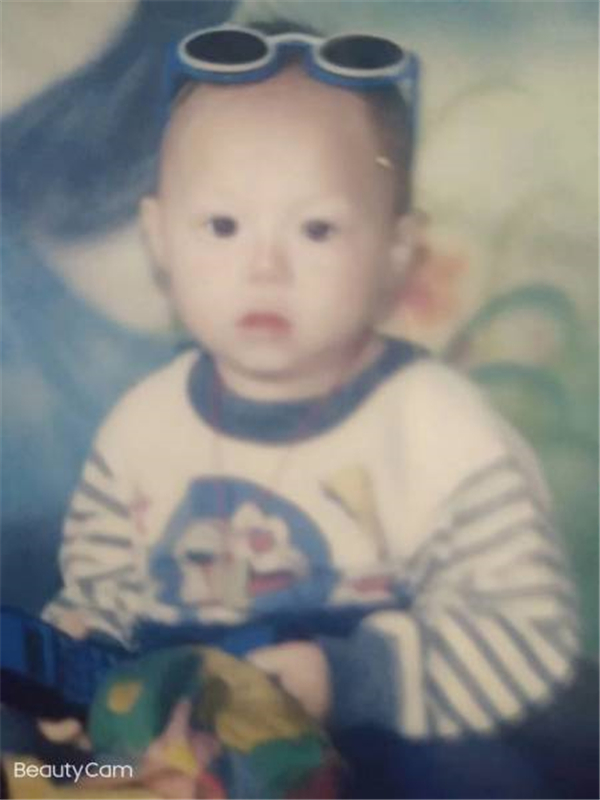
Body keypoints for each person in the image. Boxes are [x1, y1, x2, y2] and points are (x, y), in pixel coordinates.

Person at [39, 17, 579, 780]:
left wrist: (353, 680)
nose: (265, 268)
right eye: (222, 225)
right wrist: (80, 665)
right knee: (47, 772)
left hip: (385, 727)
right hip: (191, 736)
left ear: (396, 252)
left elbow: (528, 632)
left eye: (317, 229)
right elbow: (101, 592)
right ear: (160, 239)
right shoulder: (141, 427)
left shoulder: (438, 425)